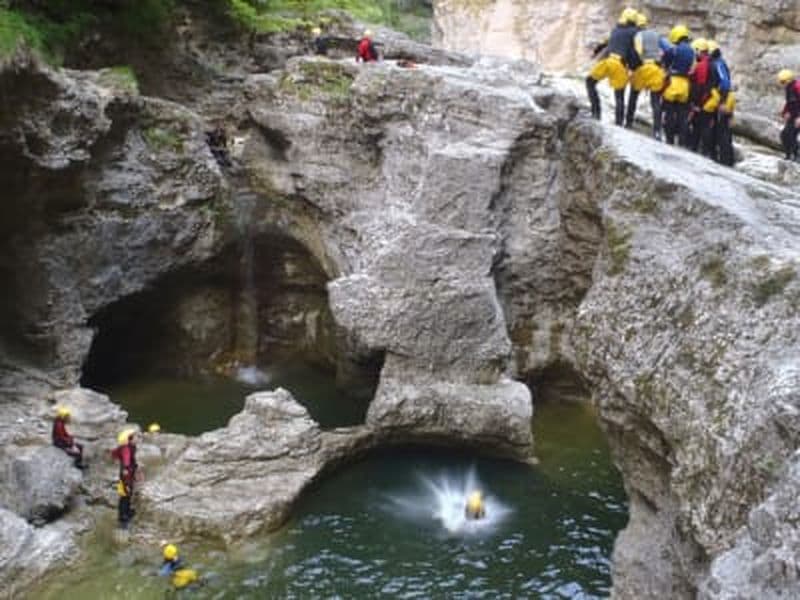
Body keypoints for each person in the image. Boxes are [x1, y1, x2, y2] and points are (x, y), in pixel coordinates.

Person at [586, 7, 641, 125]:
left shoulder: (615, 29)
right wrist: (635, 66)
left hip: (607, 61)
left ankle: (596, 112)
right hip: (619, 65)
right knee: (619, 95)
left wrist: (595, 52)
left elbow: (605, 43)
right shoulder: (635, 33)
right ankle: (619, 123)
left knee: (590, 82)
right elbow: (633, 52)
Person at [626, 12, 666, 138]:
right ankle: (657, 131)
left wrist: (633, 68)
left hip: (643, 68)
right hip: (656, 69)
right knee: (655, 102)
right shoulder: (656, 35)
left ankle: (628, 123)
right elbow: (668, 49)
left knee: (633, 95)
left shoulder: (638, 35)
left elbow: (637, 52)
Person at [660, 25, 695, 146]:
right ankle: (682, 141)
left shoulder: (674, 49)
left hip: (673, 83)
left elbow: (665, 62)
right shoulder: (692, 51)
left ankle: (669, 139)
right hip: (685, 85)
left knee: (669, 112)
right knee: (682, 115)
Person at [707, 40, 735, 166]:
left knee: (723, 130)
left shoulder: (718, 64)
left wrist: (722, 102)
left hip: (724, 98)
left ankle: (726, 160)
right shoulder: (720, 62)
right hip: (725, 97)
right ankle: (724, 158)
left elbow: (724, 83)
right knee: (722, 129)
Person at [688, 38, 713, 154]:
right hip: (708, 98)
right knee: (703, 126)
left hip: (703, 100)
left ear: (699, 51)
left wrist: (696, 103)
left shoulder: (703, 65)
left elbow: (701, 85)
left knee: (700, 126)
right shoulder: (709, 63)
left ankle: (699, 149)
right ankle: (702, 149)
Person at [111, 429, 138, 528]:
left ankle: (127, 512)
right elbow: (127, 460)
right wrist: (126, 469)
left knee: (127, 495)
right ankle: (123, 518)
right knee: (125, 496)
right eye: (134, 437)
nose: (137, 439)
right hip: (126, 476)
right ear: (129, 439)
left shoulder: (129, 447)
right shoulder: (126, 449)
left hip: (128, 474)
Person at [778, 68, 800, 161]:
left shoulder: (797, 87)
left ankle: (796, 156)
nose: (782, 84)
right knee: (784, 135)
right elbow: (789, 103)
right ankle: (789, 155)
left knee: (791, 134)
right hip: (793, 115)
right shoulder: (788, 88)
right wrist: (785, 112)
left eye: (783, 82)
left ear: (788, 80)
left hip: (798, 116)